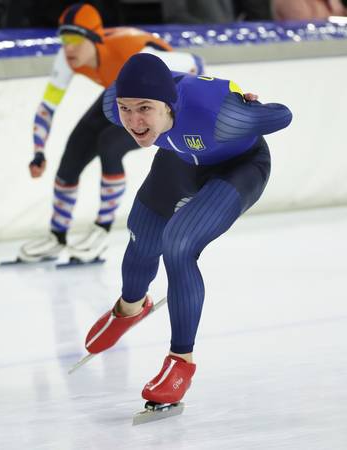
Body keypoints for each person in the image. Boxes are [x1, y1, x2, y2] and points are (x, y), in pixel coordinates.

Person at [82, 53, 292, 408]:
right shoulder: (112, 104)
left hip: (237, 167)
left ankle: (181, 362)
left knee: (178, 242)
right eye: (126, 108)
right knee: (142, 234)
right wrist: (136, 106)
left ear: (168, 104)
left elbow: (283, 115)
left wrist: (250, 103)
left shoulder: (222, 116)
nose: (133, 121)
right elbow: (134, 99)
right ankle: (130, 308)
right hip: (180, 159)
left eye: (144, 108)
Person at [18, 2, 204, 263]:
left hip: (155, 96)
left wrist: (186, 110)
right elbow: (47, 107)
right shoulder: (67, 58)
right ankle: (57, 236)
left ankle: (101, 231)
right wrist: (38, 151)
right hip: (119, 92)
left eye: (75, 39)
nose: (68, 48)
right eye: (64, 39)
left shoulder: (132, 52)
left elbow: (194, 63)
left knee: (110, 144)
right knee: (74, 150)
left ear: (93, 39)